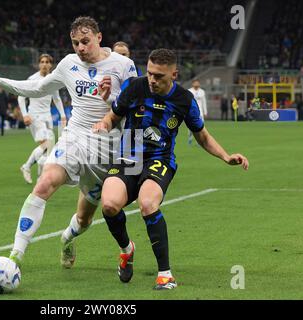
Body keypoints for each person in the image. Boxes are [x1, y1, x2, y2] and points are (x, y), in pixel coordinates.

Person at [0, 16, 137, 270]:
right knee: (44, 183)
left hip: (106, 149)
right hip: (74, 137)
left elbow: (132, 109)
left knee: (84, 219)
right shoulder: (68, 64)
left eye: (85, 41)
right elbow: (38, 88)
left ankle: (67, 238)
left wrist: (111, 99)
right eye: (75, 43)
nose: (80, 48)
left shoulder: (124, 65)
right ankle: (15, 256)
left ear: (99, 37)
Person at [93, 48, 249, 290]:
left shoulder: (185, 100)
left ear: (174, 74)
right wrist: (103, 123)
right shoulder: (135, 87)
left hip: (159, 159)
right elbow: (113, 116)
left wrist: (226, 156)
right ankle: (127, 250)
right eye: (150, 73)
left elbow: (203, 137)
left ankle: (165, 274)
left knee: (147, 203)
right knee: (110, 205)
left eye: (159, 76)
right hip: (129, 155)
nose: (152, 80)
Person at [18, 54, 67, 183]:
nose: (44, 64)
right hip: (35, 116)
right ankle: (27, 166)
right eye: (42, 62)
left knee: (49, 150)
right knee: (48, 144)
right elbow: (21, 97)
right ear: (39, 64)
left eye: (47, 62)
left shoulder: (53, 79)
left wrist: (62, 115)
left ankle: (40, 177)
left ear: (51, 65)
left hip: (47, 116)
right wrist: (25, 115)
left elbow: (56, 98)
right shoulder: (32, 79)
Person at [187, 79, 207, 145]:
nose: (196, 84)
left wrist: (205, 112)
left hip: (200, 112)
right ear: (192, 84)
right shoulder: (189, 91)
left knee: (201, 127)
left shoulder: (202, 92)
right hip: (191, 111)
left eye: (197, 83)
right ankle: (190, 138)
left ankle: (199, 141)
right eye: (195, 83)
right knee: (191, 127)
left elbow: (204, 102)